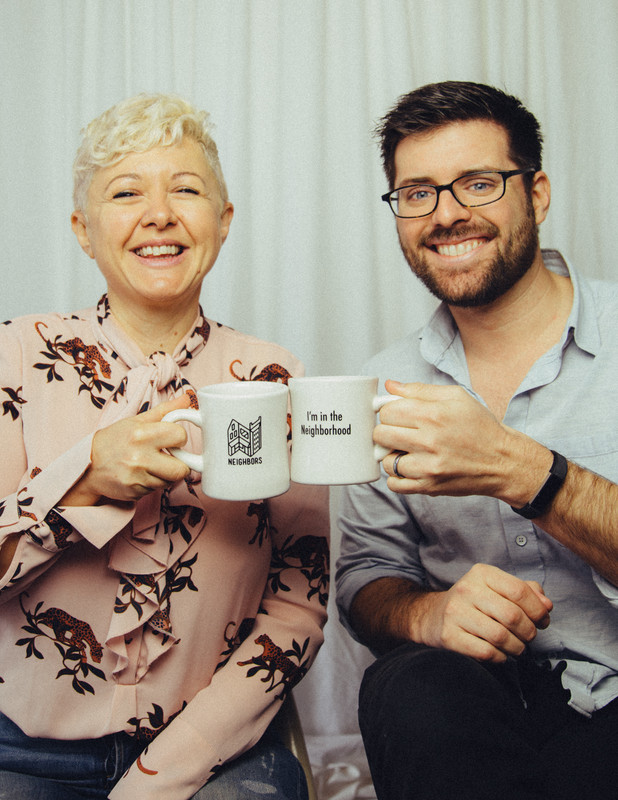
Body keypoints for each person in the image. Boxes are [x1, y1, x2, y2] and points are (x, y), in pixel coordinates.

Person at [0, 93, 329, 800]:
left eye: (187, 189)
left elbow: (300, 606)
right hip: (24, 754)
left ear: (224, 220)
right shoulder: (15, 356)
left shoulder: (275, 377)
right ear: (83, 230)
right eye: (126, 193)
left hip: (220, 752)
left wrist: (169, 768)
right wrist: (83, 481)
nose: (159, 214)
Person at [335, 81, 618, 800]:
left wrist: (523, 471)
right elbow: (366, 579)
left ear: (538, 194)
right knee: (406, 684)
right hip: (472, 716)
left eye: (479, 184)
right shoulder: (381, 385)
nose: (447, 213)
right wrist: (426, 612)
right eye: (417, 193)